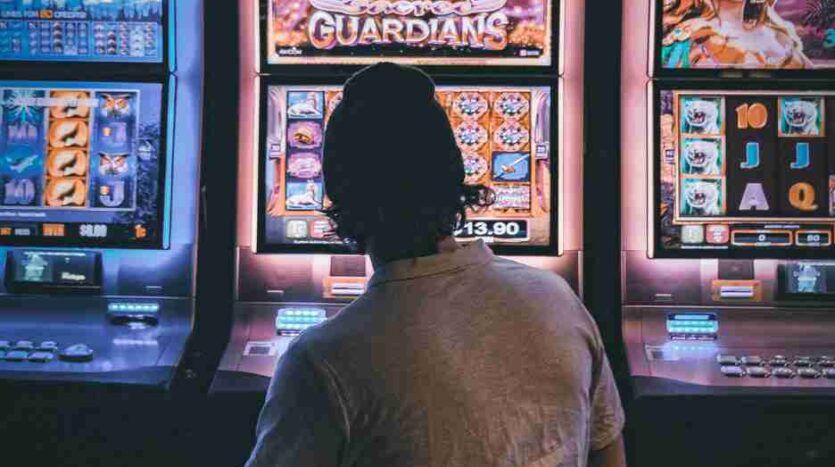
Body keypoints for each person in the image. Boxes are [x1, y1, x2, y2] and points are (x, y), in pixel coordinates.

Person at [246, 63, 626, 467]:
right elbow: (608, 452)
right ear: (456, 174)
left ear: (337, 191)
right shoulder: (558, 300)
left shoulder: (321, 361)